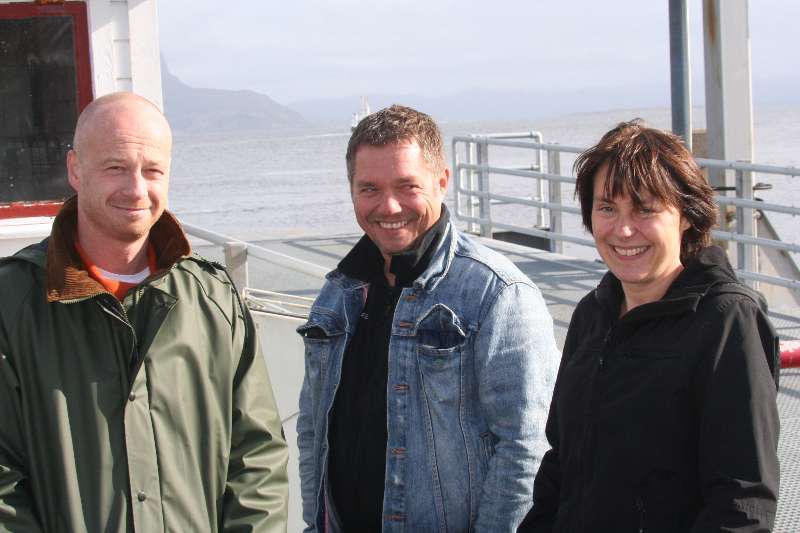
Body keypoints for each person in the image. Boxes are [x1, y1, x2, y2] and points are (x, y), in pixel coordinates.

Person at [0, 92, 289, 532]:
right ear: (75, 169)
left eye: (152, 170)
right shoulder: (13, 302)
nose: (136, 189)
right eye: (115, 167)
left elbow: (257, 459)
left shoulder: (213, 300)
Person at [296, 104, 560, 533]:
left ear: (442, 181)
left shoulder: (497, 293)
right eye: (369, 189)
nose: (389, 206)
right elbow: (313, 430)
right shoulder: (338, 293)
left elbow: (527, 446)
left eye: (407, 186)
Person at [520, 120, 780, 532]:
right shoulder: (593, 314)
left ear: (686, 216)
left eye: (645, 209)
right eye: (607, 208)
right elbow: (562, 461)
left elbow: (741, 502)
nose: (623, 230)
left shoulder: (726, 321)